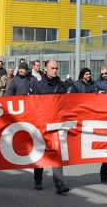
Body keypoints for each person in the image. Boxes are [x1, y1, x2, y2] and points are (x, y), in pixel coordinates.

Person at [33, 59, 69, 194]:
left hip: (57, 124)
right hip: (41, 123)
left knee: (56, 152)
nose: (55, 70)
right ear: (45, 68)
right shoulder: (38, 85)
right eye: (52, 68)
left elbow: (67, 103)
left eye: (56, 68)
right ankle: (38, 178)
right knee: (41, 151)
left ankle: (59, 183)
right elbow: (33, 105)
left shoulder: (61, 85)